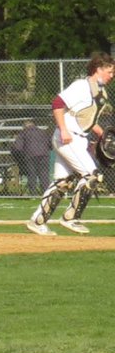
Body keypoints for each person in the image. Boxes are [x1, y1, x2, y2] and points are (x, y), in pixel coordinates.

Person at [27, 52, 114, 235]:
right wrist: (64, 129)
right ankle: (70, 218)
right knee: (92, 176)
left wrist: (101, 134)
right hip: (68, 137)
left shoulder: (99, 92)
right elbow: (58, 103)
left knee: (62, 182)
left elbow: (86, 119)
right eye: (109, 71)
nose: (112, 75)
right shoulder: (82, 86)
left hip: (77, 138)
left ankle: (37, 221)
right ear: (98, 69)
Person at [11, 121, 51, 195]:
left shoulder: (23, 133)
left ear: (24, 127)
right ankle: (46, 193)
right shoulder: (43, 132)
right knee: (44, 174)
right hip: (44, 155)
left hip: (30, 155)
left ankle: (33, 193)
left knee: (31, 174)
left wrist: (19, 156)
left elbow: (17, 148)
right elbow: (50, 144)